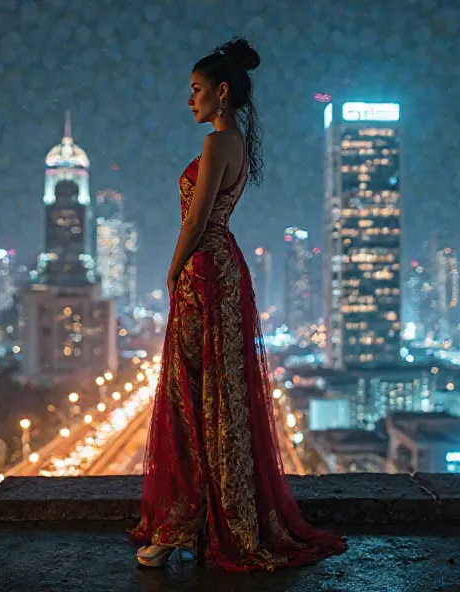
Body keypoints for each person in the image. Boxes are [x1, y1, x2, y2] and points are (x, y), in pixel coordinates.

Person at [130, 37, 347, 572]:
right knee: (218, 396)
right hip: (224, 269)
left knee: (191, 394)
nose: (190, 101)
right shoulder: (239, 145)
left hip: (204, 268)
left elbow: (197, 218)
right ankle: (211, 518)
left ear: (221, 92)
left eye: (197, 90)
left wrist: (172, 268)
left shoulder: (216, 145)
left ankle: (180, 524)